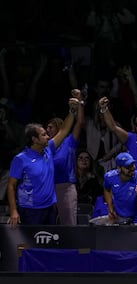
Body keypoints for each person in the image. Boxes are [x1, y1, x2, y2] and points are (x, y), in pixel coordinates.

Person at [6, 97, 77, 227]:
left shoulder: (49, 149)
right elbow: (11, 186)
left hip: (50, 208)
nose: (48, 137)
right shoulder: (20, 159)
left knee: (48, 244)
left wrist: (72, 111)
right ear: (34, 139)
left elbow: (64, 130)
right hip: (30, 210)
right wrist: (13, 210)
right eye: (43, 135)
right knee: (30, 245)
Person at [46, 89, 85, 225]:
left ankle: (71, 247)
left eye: (51, 127)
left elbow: (79, 123)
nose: (48, 130)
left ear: (60, 127)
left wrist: (80, 101)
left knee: (68, 224)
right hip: (47, 187)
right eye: (47, 128)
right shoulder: (46, 146)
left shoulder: (69, 140)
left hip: (65, 187)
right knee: (49, 224)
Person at [103, 152, 137, 225]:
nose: (132, 168)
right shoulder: (109, 177)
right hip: (118, 216)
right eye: (128, 166)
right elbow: (106, 189)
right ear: (119, 168)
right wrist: (110, 207)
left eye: (133, 164)